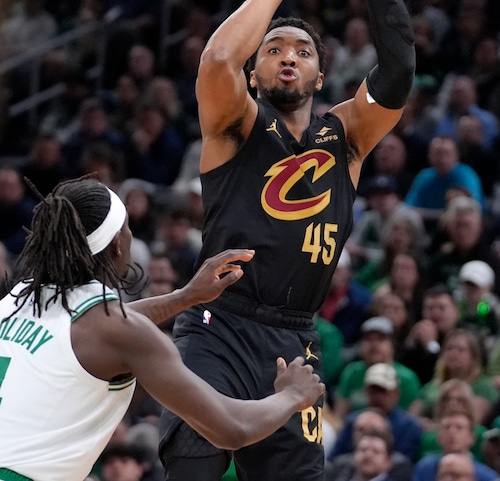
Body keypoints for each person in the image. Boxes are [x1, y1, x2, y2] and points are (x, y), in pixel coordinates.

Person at [158, 0, 416, 481]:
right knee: (193, 463)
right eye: (273, 48)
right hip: (219, 324)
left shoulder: (346, 135)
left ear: (321, 76)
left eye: (302, 50)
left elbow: (400, 66)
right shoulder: (234, 126)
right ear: (257, 74)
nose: (288, 56)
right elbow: (219, 58)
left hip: (294, 339)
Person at [0, 177, 324, 481]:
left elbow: (99, 329)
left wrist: (185, 297)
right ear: (117, 245)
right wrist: (292, 396)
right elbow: (231, 428)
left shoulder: (19, 297)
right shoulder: (120, 331)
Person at [330, 362, 422, 461]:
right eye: (373, 391)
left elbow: (403, 465)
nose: (378, 397)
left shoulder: (408, 426)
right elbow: (333, 460)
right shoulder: (353, 421)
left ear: (396, 394)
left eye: (383, 391)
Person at [325, 408, 414, 481]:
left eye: (376, 451)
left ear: (388, 461)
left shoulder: (402, 466)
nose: (368, 455)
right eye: (363, 450)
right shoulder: (339, 466)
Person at [412, 411, 498, 481]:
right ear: (438, 437)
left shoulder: (487, 476)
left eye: (459, 427)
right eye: (447, 427)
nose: (452, 432)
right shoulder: (424, 468)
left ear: (472, 437)